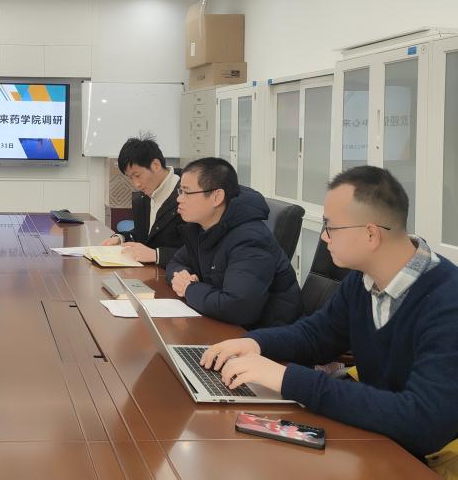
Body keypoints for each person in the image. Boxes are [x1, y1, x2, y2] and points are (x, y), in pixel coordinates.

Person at [200, 166, 458, 462]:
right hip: (381, 441)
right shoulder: (363, 280)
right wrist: (255, 343)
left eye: (330, 227)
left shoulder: (447, 302)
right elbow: (317, 336)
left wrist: (287, 378)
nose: (324, 237)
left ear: (371, 233)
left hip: (431, 458)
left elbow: (423, 422)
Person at [165, 157, 302, 329]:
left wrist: (190, 289)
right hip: (223, 325)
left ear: (217, 197)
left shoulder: (250, 239)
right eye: (180, 191)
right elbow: (176, 262)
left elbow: (239, 307)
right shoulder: (201, 227)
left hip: (266, 335)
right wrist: (182, 276)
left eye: (187, 192)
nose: (179, 199)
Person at [101, 136, 182, 264]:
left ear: (156, 165)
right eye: (131, 178)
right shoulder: (143, 197)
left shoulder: (188, 193)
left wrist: (157, 255)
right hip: (149, 271)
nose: (136, 184)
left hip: (176, 273)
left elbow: (198, 251)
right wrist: (120, 239)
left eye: (137, 175)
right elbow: (147, 235)